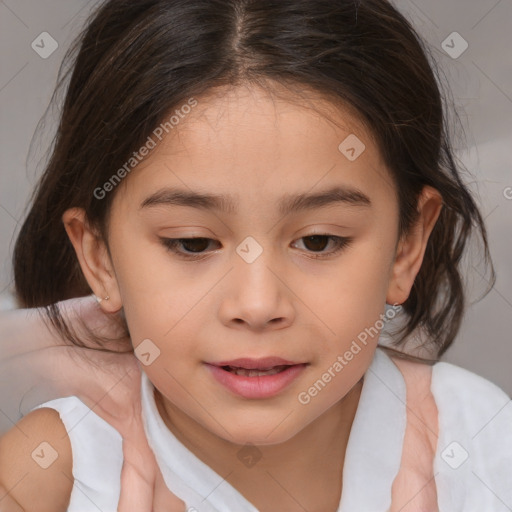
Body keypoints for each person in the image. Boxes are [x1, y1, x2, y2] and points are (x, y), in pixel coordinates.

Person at [0, 0, 511, 511]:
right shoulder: (46, 478)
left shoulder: (483, 445)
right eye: (193, 243)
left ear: (406, 246)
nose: (258, 303)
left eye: (318, 241)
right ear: (100, 257)